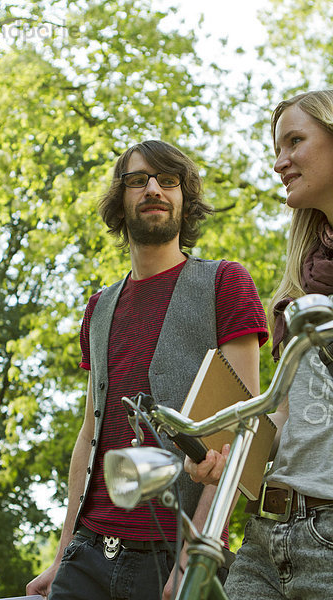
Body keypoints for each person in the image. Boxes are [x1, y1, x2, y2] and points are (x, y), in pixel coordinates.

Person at [26, 139, 268, 600]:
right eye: (138, 181)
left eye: (168, 181)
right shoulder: (98, 307)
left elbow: (242, 432)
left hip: (172, 553)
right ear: (121, 200)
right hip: (88, 552)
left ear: (184, 198)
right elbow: (88, 433)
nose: (153, 189)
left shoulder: (224, 282)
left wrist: (195, 560)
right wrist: (61, 556)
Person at [185, 90, 333, 599]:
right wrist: (222, 451)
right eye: (277, 147)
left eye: (296, 141)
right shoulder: (304, 278)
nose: (279, 162)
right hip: (269, 533)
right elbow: (290, 419)